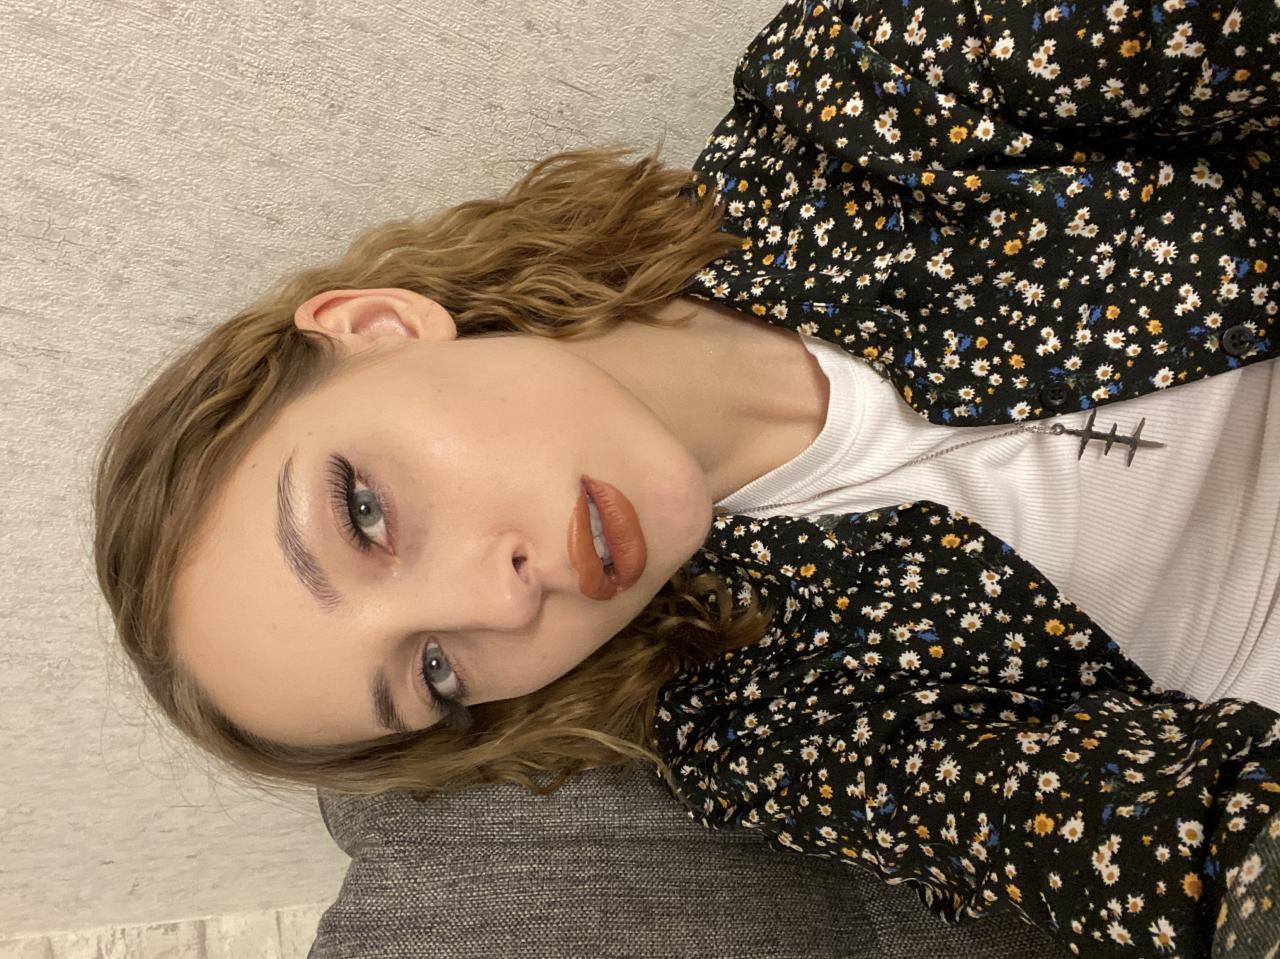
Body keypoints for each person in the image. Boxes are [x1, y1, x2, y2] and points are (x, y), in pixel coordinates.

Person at [93, 0, 1279, 954]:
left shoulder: (865, 100)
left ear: (379, 326)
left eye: (363, 514)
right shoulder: (764, 722)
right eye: (436, 671)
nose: (499, 598)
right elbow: (1180, 852)